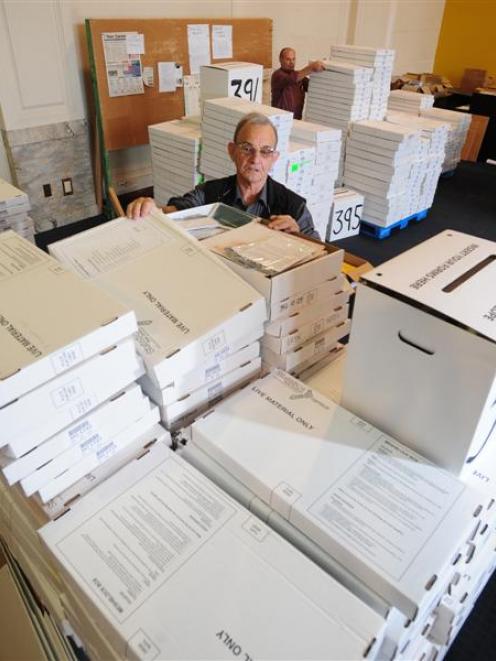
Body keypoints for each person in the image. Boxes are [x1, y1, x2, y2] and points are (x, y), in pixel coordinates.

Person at [127, 112, 319, 239]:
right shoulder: (210, 193)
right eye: (247, 148)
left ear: (274, 158)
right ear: (232, 151)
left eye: (265, 151)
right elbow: (181, 208)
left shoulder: (294, 207)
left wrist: (299, 237)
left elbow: (320, 255)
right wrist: (153, 210)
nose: (255, 159)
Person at [271, 48, 325, 120]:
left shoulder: (300, 77)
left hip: (297, 120)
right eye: (288, 59)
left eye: (293, 59)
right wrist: (311, 67)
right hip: (281, 120)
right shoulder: (277, 75)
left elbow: (313, 87)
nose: (291, 62)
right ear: (280, 60)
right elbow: (291, 79)